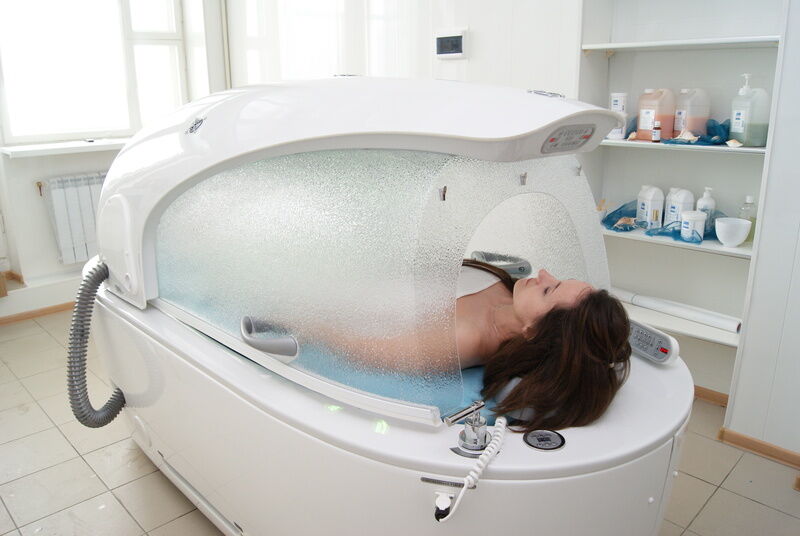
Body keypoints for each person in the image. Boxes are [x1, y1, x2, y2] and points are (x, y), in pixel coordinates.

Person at [458, 259, 631, 433]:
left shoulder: (464, 339)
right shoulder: (509, 290)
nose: (543, 273)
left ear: (535, 331)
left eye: (547, 290)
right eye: (559, 281)